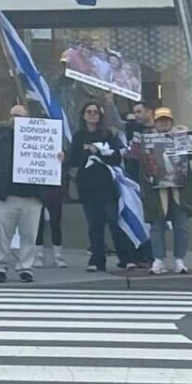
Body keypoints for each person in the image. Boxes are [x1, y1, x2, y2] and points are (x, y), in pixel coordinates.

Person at [0, 102, 51, 284]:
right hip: (6, 196)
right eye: (13, 116)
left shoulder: (40, 139)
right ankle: (0, 267)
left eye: (20, 116)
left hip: (32, 197)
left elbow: (51, 165)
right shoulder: (1, 141)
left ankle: (25, 268)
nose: (16, 119)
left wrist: (58, 158)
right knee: (2, 235)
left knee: (29, 235)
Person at [67, 100, 126, 273]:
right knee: (94, 225)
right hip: (87, 187)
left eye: (95, 112)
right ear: (83, 115)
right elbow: (73, 159)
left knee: (114, 222)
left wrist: (99, 151)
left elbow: (116, 157)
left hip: (107, 186)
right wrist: (86, 151)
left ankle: (125, 257)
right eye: (89, 112)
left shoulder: (108, 134)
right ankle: (97, 259)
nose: (92, 115)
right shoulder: (79, 136)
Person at [141, 107, 192, 275]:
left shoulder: (181, 136)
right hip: (157, 191)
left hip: (179, 189)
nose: (163, 122)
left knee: (182, 226)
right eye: (160, 120)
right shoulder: (148, 139)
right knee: (156, 226)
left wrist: (186, 136)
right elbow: (141, 163)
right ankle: (158, 259)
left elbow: (191, 155)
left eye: (166, 119)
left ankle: (180, 260)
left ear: (171, 121)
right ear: (155, 122)